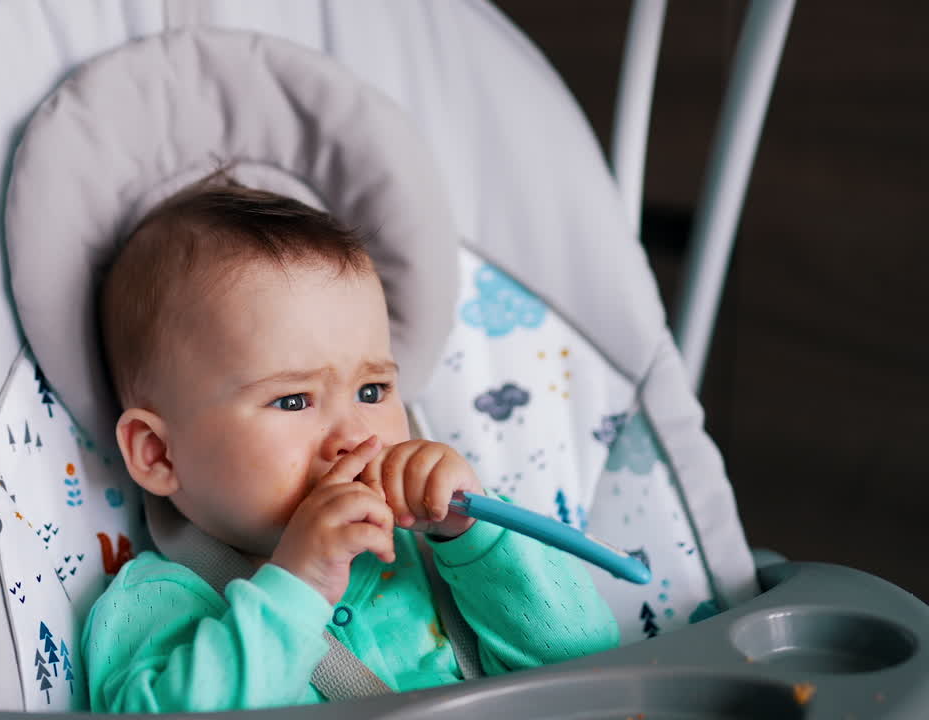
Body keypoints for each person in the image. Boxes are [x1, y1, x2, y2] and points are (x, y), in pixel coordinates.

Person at [84, 173, 618, 712]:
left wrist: (475, 539)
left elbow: (590, 658)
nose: (355, 436)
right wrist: (300, 587)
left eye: (372, 389)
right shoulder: (158, 604)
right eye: (293, 400)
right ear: (157, 453)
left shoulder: (443, 557)